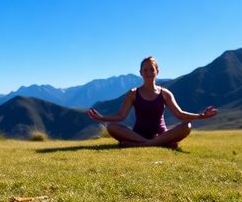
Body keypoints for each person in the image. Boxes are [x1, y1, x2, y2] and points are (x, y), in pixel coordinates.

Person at [87, 56, 217, 148]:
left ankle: (142, 144)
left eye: (151, 69)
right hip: (137, 134)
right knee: (111, 127)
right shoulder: (133, 93)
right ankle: (158, 143)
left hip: (160, 134)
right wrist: (101, 117)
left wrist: (201, 116)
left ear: (157, 72)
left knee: (187, 126)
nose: (148, 72)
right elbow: (121, 116)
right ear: (140, 73)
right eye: (145, 70)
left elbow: (180, 114)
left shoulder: (165, 93)